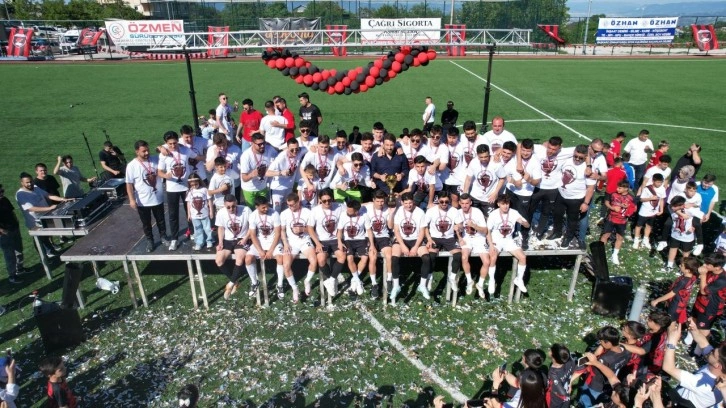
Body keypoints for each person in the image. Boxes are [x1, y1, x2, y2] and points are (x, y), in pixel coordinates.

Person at [662, 320, 726, 408]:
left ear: (717, 365)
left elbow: (668, 368)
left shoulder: (704, 385)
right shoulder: (720, 371)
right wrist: (694, 329)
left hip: (680, 403)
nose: (710, 352)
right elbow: (704, 343)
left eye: (713, 353)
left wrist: (672, 342)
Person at [549, 144, 596, 249]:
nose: (577, 159)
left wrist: (585, 203)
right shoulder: (567, 160)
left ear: (585, 157)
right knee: (557, 214)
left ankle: (568, 237)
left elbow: (590, 188)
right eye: (575, 156)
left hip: (576, 198)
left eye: (580, 158)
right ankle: (557, 232)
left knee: (572, 219)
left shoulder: (588, 169)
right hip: (561, 194)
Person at [125, 140, 167, 253]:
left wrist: (160, 147)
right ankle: (150, 241)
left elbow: (166, 150)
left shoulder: (155, 159)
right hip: (143, 201)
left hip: (157, 198)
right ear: (137, 152)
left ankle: (163, 237)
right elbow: (129, 184)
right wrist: (131, 199)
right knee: (146, 223)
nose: (147, 153)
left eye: (148, 150)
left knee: (161, 220)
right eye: (144, 151)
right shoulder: (132, 166)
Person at [572, 326, 630, 407]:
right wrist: (603, 346)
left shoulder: (605, 359)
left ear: (608, 343)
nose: (600, 343)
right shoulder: (624, 350)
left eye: (601, 341)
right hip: (607, 384)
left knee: (586, 400)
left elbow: (590, 363)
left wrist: (592, 356)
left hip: (594, 385)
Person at [16, 172, 68, 257]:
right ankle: (45, 256)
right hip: (35, 222)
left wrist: (62, 199)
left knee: (48, 235)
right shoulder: (20, 194)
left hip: (46, 217)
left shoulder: (36, 187)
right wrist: (49, 208)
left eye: (31, 181)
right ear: (22, 183)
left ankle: (51, 250)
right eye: (27, 182)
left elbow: (48, 195)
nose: (30, 184)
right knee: (40, 239)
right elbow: (31, 208)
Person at [245, 196, 288, 301]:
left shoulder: (274, 213)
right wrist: (260, 251)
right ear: (257, 207)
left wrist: (270, 250)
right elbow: (253, 235)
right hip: (260, 242)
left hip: (273, 241)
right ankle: (254, 282)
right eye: (263, 207)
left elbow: (277, 234)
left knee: (280, 258)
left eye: (267, 206)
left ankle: (280, 285)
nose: (266, 209)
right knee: (248, 259)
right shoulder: (253, 216)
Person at [391, 192, 431, 300]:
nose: (408, 205)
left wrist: (415, 247)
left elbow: (422, 231)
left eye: (410, 203)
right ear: (402, 202)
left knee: (426, 258)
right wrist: (403, 245)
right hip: (402, 239)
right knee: (394, 258)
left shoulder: (420, 212)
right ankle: (396, 286)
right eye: (406, 203)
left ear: (413, 201)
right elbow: (396, 230)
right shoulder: (399, 211)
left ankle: (422, 285)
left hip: (416, 239)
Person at [487, 194, 530, 294]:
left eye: (507, 203)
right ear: (498, 204)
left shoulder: (514, 212)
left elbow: (527, 225)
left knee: (523, 257)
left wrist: (523, 222)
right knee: (493, 256)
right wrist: (491, 245)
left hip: (509, 240)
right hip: (496, 240)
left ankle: (519, 279)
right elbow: (487, 231)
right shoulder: (493, 214)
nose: (505, 206)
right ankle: (491, 280)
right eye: (503, 204)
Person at [157, 131, 193, 251]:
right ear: (166, 143)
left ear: (178, 141)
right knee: (173, 214)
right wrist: (165, 176)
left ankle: (193, 232)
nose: (173, 146)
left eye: (174, 143)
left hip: (186, 187)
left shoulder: (185, 150)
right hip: (172, 188)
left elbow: (196, 157)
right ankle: (174, 238)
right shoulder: (163, 154)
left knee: (190, 211)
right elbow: (159, 171)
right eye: (170, 144)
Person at [309, 188, 347, 297]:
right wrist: (317, 243)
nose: (327, 203)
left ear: (333, 199)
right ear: (320, 200)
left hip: (336, 238)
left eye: (329, 200)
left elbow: (352, 210)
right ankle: (333, 278)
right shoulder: (315, 211)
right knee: (321, 260)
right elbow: (310, 228)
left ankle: (331, 280)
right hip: (322, 240)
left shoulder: (340, 207)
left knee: (342, 256)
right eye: (324, 201)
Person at [424, 191, 462, 295]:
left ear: (449, 201)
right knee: (431, 256)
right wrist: (429, 238)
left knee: (458, 255)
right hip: (435, 237)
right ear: (438, 201)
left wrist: (459, 227)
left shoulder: (454, 210)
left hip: (449, 238)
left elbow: (460, 224)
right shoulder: (431, 211)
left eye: (446, 202)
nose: (444, 204)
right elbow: (425, 226)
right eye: (442, 202)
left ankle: (452, 278)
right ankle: (430, 276)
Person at [215, 194, 253, 300]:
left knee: (239, 258)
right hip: (228, 239)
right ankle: (235, 282)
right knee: (219, 261)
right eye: (228, 207)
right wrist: (220, 242)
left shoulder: (246, 210)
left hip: (242, 238)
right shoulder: (221, 213)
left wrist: (245, 238)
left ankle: (230, 284)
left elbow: (252, 227)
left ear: (236, 203)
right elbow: (221, 228)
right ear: (224, 205)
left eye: (233, 206)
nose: (231, 209)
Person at [279, 193, 317, 298]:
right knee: (286, 266)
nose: (290, 207)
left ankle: (307, 281)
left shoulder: (307, 212)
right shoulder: (284, 214)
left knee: (314, 261)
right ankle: (294, 288)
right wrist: (285, 244)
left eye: (292, 205)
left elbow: (312, 230)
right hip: (291, 242)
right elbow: (282, 230)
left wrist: (303, 229)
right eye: (288, 205)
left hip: (305, 241)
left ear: (298, 202)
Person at [506, 139, 542, 250]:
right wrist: (513, 181)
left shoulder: (535, 162)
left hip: (525, 193)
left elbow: (537, 181)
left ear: (532, 150)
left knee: (524, 216)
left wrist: (529, 180)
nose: (525, 153)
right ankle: (511, 232)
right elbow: (505, 174)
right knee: (509, 212)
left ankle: (525, 236)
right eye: (523, 150)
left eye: (528, 151)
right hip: (511, 190)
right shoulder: (515, 158)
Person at [337, 199, 376, 296]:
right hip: (348, 240)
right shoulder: (343, 215)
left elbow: (369, 231)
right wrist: (339, 242)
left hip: (361, 240)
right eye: (347, 210)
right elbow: (340, 230)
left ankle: (354, 280)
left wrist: (372, 244)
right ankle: (358, 281)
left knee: (365, 258)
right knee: (349, 258)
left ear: (357, 211)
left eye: (350, 211)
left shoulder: (364, 216)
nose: (347, 212)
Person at [457, 193, 490, 298]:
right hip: (466, 239)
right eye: (462, 203)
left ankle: (480, 284)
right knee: (464, 257)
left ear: (470, 203)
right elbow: (457, 228)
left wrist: (474, 225)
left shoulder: (477, 212)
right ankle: (469, 281)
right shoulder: (458, 213)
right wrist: (460, 237)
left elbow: (485, 230)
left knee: (487, 262)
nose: (465, 206)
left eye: (467, 203)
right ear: (459, 203)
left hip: (479, 238)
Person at [651, 256, 699, 326]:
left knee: (670, 323)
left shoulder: (683, 281)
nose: (679, 266)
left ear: (688, 270)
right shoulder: (693, 277)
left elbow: (671, 294)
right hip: (681, 303)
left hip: (675, 304)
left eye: (682, 265)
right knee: (674, 321)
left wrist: (657, 300)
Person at [365, 190, 395, 298]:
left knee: (389, 255)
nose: (380, 204)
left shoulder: (387, 208)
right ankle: (374, 284)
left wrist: (391, 214)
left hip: (383, 236)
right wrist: (372, 245)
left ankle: (389, 280)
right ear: (373, 200)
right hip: (370, 236)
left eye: (382, 201)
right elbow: (355, 206)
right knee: (372, 257)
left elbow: (390, 226)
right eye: (377, 201)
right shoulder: (367, 207)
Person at [462, 144, 506, 217]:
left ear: (489, 154)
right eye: (481, 157)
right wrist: (464, 193)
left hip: (489, 198)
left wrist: (495, 193)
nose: (483, 159)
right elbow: (468, 178)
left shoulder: (496, 163)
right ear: (477, 155)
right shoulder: (474, 162)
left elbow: (502, 178)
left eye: (486, 156)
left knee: (490, 218)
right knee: (473, 217)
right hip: (475, 196)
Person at [600, 181, 636, 266]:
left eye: (620, 188)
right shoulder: (613, 194)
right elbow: (606, 202)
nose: (617, 189)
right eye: (617, 187)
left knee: (619, 237)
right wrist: (612, 208)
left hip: (622, 221)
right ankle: (600, 252)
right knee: (605, 235)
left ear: (626, 189)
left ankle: (615, 255)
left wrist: (628, 209)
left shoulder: (631, 197)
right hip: (611, 219)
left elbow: (634, 208)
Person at [690, 253, 726, 337]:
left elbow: (703, 291)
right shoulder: (710, 271)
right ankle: (690, 338)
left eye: (708, 264)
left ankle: (701, 345)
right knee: (693, 320)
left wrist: (703, 275)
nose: (705, 265)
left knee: (703, 330)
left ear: (717, 267)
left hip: (709, 309)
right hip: (699, 302)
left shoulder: (722, 280)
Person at [239, 132, 276, 209]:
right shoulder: (246, 156)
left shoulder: (269, 149)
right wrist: (252, 174)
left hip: (263, 187)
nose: (262, 146)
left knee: (264, 209)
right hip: (249, 188)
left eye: (263, 143)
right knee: (252, 210)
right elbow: (244, 178)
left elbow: (278, 157)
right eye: (259, 144)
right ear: (252, 144)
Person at [660, 196, 695, 272]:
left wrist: (694, 226)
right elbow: (671, 207)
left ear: (682, 205)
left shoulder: (690, 210)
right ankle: (669, 265)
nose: (672, 207)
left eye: (675, 206)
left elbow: (700, 217)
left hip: (687, 236)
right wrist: (682, 214)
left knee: (685, 252)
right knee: (673, 248)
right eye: (672, 205)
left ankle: (684, 267)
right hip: (675, 233)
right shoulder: (671, 208)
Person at [268, 138, 304, 213]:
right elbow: (267, 173)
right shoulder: (280, 158)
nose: (295, 151)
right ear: (287, 148)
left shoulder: (299, 152)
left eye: (296, 149)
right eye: (292, 150)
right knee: (276, 211)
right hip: (278, 188)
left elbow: (310, 148)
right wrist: (280, 173)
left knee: (287, 211)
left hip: (289, 187)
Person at [0, 184, 26, 284]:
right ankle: (12, 275)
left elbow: (12, 212)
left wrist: (16, 222)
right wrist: (3, 231)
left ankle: (20, 268)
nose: (2, 193)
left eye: (2, 191)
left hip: (14, 228)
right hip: (4, 234)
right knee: (9, 255)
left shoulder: (4, 199)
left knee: (19, 250)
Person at [205, 133, 242, 202]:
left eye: (224, 144)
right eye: (219, 146)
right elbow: (209, 168)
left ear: (226, 140)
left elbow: (242, 163)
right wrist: (215, 155)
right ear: (215, 144)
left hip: (234, 182)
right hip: (219, 184)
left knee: (235, 203)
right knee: (221, 204)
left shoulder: (235, 149)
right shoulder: (211, 150)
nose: (222, 148)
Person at [633, 173, 666, 250]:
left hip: (653, 212)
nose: (659, 184)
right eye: (657, 182)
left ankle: (645, 239)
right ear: (653, 181)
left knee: (649, 226)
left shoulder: (662, 189)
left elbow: (661, 200)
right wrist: (650, 198)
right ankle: (636, 240)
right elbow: (641, 199)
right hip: (644, 210)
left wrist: (661, 210)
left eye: (661, 182)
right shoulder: (647, 188)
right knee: (639, 225)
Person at [370, 134, 409, 198]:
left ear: (395, 144)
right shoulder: (376, 156)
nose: (389, 148)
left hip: (398, 191)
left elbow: (406, 169)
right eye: (387, 145)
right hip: (381, 191)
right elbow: (372, 172)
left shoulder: (401, 155)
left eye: (391, 145)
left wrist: (401, 175)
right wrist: (380, 176)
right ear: (383, 144)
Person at [185, 173, 213, 251]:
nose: (194, 186)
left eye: (196, 184)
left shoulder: (204, 190)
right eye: (192, 185)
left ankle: (209, 241)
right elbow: (188, 203)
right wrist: (189, 214)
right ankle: (199, 243)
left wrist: (211, 211)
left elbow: (209, 200)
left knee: (207, 228)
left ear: (199, 181)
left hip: (205, 214)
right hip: (194, 216)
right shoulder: (189, 191)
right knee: (197, 229)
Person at [547, 344, 575, 408]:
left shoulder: (553, 373)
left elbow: (562, 392)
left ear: (554, 357)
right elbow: (573, 370)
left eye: (550, 350)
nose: (549, 350)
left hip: (556, 399)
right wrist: (570, 384)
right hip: (567, 395)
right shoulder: (569, 361)